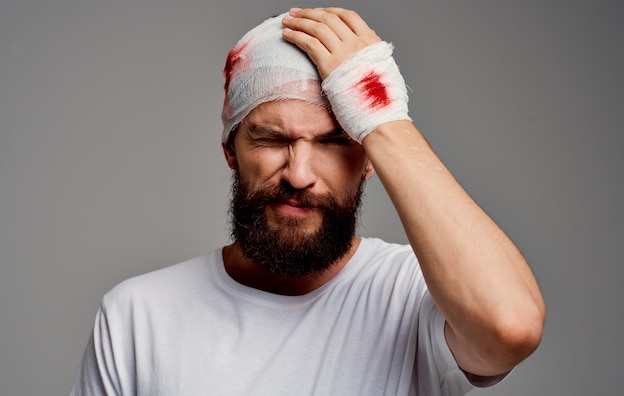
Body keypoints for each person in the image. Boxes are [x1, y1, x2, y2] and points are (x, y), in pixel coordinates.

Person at [71, 7, 545, 396]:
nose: (299, 175)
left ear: (370, 159)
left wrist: (382, 120)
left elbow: (510, 328)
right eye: (273, 138)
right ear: (230, 153)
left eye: (335, 142)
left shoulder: (415, 296)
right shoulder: (138, 316)